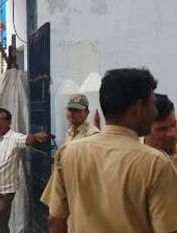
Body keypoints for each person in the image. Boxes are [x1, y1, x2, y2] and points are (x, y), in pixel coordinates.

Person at [41, 68, 177, 233]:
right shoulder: (156, 164)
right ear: (137, 108)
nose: (155, 112)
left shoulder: (68, 153)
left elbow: (56, 220)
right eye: (152, 105)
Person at [0, 108, 48, 233]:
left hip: (4, 192)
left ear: (9, 122)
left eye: (1, 119)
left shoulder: (14, 138)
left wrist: (35, 136)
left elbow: (26, 140)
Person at [143, 93, 177, 164]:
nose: (171, 133)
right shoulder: (138, 160)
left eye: (173, 125)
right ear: (144, 128)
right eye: (162, 129)